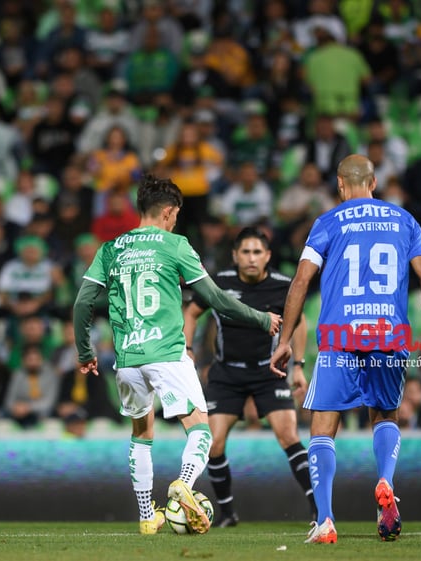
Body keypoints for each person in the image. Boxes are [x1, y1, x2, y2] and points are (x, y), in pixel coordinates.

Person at [73, 175, 280, 535]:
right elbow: (215, 298)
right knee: (200, 428)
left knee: (141, 430)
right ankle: (185, 482)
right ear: (168, 212)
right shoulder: (175, 244)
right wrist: (261, 318)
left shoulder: (111, 249)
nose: (175, 222)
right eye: (175, 215)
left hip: (127, 358)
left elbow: (82, 304)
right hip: (167, 353)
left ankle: (146, 517)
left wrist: (85, 351)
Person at [271, 155, 421, 544]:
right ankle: (385, 478)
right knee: (385, 415)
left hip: (340, 336)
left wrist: (284, 340)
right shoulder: (404, 221)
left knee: (323, 427)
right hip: (389, 336)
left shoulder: (328, 222)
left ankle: (326, 520)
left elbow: (301, 281)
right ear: (373, 182)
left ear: (340, 184)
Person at [182, 227, 314, 527]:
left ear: (267, 256)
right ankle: (228, 514)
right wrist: (188, 349)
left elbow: (301, 322)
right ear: (235, 256)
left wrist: (298, 365)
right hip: (227, 373)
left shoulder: (283, 286)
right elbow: (191, 313)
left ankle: (319, 510)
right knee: (213, 445)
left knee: (289, 436)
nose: (251, 258)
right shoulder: (219, 283)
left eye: (257, 252)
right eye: (246, 252)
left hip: (270, 372)